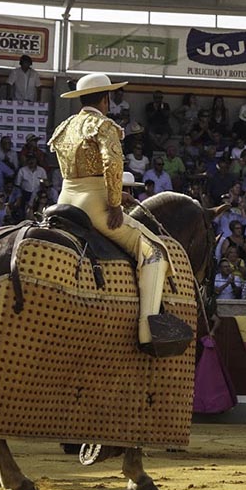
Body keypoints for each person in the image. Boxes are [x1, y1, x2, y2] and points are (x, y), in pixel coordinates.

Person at [49, 72, 193, 356]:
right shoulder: (103, 125)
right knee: (154, 251)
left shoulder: (65, 126)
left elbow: (79, 173)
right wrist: (114, 204)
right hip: (94, 205)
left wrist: (112, 194)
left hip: (66, 199)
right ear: (105, 99)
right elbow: (113, 166)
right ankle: (147, 330)